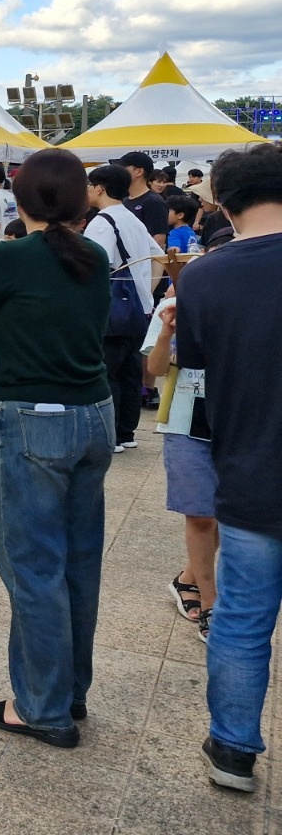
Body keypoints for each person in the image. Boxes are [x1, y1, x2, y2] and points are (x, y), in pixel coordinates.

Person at [0, 148, 111, 749]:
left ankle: (41, 708)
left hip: (33, 420)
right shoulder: (93, 255)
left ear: (18, 199)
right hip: (94, 413)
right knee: (77, 561)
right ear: (79, 198)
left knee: (32, 566)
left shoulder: (12, 257)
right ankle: (69, 692)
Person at [175, 143, 282, 793]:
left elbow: (198, 370)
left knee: (242, 619)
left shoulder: (206, 276)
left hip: (249, 474)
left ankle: (234, 753)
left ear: (225, 202)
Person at [143, 294, 217, 643]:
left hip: (241, 421)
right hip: (187, 421)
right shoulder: (173, 306)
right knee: (200, 514)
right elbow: (155, 369)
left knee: (224, 514)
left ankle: (188, 577)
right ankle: (211, 603)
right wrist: (166, 334)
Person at [84, 165, 158, 452]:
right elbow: (157, 256)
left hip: (111, 309)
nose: (88, 191)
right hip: (138, 309)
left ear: (100, 188)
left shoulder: (102, 222)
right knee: (129, 372)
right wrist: (145, 293)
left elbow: (95, 265)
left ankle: (111, 434)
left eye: (90, 186)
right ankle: (127, 433)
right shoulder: (132, 218)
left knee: (108, 371)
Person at [117, 151, 170, 252]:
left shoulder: (153, 202)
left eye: (123, 168)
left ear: (139, 171)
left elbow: (158, 242)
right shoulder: (124, 201)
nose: (118, 172)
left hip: (142, 263)